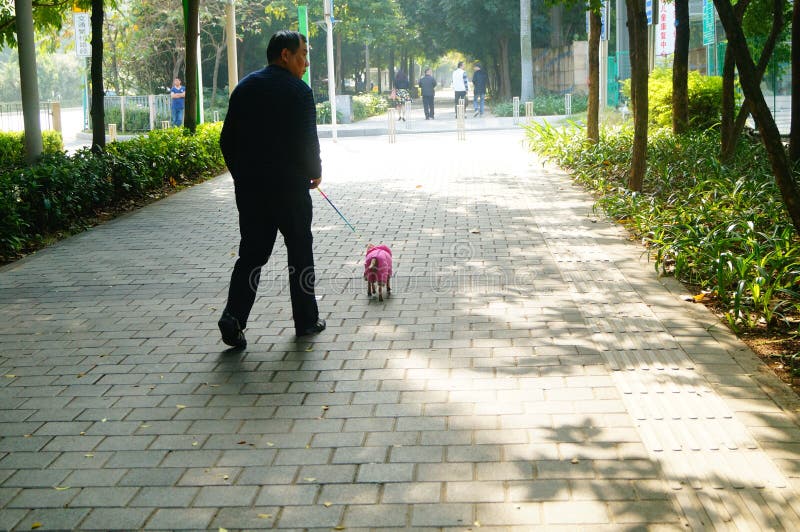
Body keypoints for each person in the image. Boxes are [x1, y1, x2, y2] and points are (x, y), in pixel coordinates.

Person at [217, 30, 326, 348]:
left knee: (252, 254)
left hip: (251, 191)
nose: (306, 62)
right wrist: (314, 173)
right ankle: (306, 321)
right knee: (300, 253)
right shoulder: (300, 92)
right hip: (291, 190)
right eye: (303, 54)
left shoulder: (245, 88)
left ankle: (233, 317)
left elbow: (227, 140)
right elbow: (309, 142)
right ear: (285, 55)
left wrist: (243, 176)